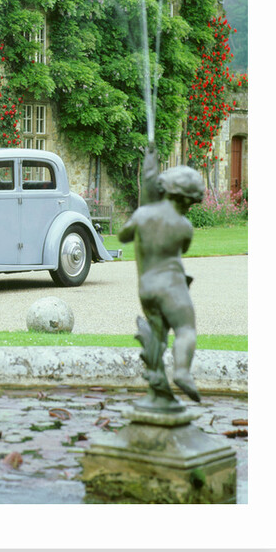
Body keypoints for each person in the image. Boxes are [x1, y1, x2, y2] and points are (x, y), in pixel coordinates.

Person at [118, 144, 205, 402]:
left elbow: (123, 236)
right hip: (172, 286)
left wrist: (142, 213)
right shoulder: (184, 226)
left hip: (146, 289)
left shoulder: (143, 214)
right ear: (188, 199)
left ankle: (157, 385)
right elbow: (184, 249)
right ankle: (181, 372)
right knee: (186, 329)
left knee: (158, 337)